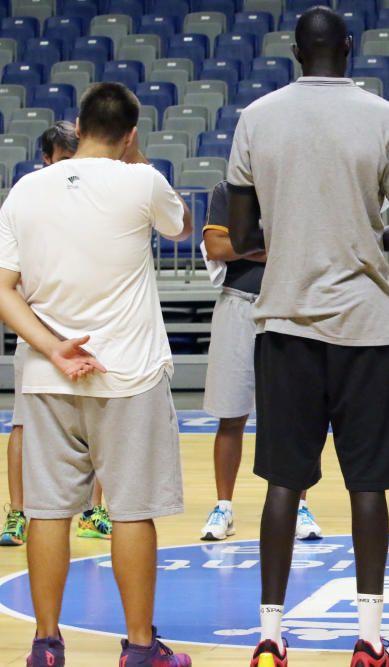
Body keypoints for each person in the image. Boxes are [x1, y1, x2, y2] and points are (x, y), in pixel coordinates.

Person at [225, 8, 389, 667]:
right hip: (367, 327)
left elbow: (242, 236)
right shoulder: (385, 118)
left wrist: (295, 235)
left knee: (284, 483)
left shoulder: (257, 117)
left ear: (293, 51)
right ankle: (369, 639)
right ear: (349, 48)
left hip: (285, 321)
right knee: (367, 483)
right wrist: (365, 237)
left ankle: (269, 637)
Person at [0, 82, 192, 666]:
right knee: (132, 510)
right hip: (127, 374)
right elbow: (181, 226)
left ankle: (46, 645)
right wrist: (137, 164)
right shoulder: (142, 180)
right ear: (131, 134)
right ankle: (139, 648)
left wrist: (54, 348)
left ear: (77, 126)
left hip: (48, 376)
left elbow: (4, 291)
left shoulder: (25, 190)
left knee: (47, 511)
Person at [1, 122, 113, 547]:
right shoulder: (27, 200)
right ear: (46, 159)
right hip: (37, 329)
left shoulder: (97, 201)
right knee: (24, 425)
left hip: (90, 328)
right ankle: (17, 514)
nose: (72, 168)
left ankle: (92, 510)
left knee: (99, 422)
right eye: (64, 160)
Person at [198, 181, 323, 542]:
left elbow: (307, 247)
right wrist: (271, 245)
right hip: (238, 302)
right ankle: (224, 506)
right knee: (230, 415)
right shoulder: (227, 190)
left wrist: (246, 244)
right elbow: (216, 246)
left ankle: (299, 505)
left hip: (290, 303)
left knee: (295, 417)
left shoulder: (297, 185)